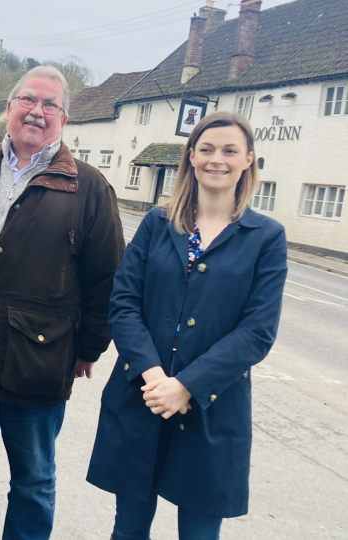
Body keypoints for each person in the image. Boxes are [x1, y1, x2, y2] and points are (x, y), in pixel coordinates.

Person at [0, 65, 125, 540]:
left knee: (33, 481)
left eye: (50, 105)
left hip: (37, 361)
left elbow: (108, 281)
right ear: (9, 108)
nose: (37, 112)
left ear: (64, 119)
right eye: (28, 101)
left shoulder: (89, 188)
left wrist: (87, 348)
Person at [86, 112, 288, 540]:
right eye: (208, 149)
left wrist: (186, 386)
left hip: (210, 408)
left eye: (230, 150)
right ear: (191, 156)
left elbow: (257, 331)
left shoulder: (265, 237)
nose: (218, 159)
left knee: (198, 532)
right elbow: (123, 304)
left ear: (248, 159)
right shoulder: (158, 224)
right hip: (143, 395)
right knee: (128, 529)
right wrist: (156, 376)